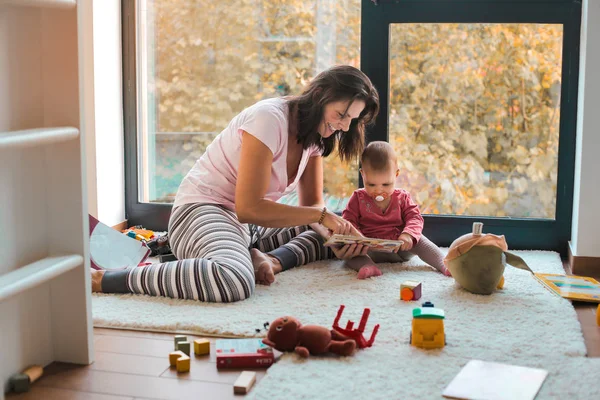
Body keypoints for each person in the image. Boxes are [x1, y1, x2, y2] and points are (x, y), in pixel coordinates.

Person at [91, 65, 380, 303]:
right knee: (232, 280)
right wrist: (321, 217)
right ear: (319, 95)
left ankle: (267, 259)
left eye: (351, 120)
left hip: (248, 227)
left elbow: (312, 206)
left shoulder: (316, 136)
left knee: (336, 231)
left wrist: (333, 233)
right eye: (341, 114)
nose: (343, 126)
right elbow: (248, 208)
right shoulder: (269, 119)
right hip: (202, 211)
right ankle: (109, 278)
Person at [341, 141, 450, 279]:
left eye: (386, 184)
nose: (378, 190)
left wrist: (408, 235)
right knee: (349, 252)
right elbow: (348, 221)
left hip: (400, 247)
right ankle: (367, 266)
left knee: (420, 239)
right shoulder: (358, 198)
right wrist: (356, 237)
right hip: (369, 249)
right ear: (363, 174)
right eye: (371, 184)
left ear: (396, 174)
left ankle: (443, 262)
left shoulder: (402, 197)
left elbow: (415, 218)